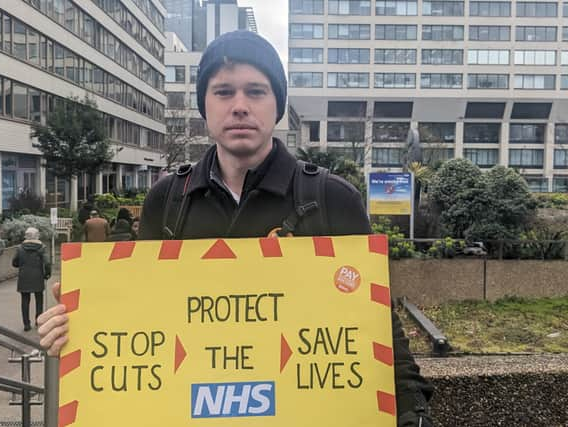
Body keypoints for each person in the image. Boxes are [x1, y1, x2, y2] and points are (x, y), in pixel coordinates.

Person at [38, 30, 433, 426]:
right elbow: (140, 328)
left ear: (277, 103)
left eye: (256, 92)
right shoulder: (167, 200)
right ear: (204, 105)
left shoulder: (331, 198)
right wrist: (81, 327)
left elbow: (377, 328)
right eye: (224, 92)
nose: (240, 106)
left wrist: (413, 412)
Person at [12, 227, 51, 331]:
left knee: (25, 300)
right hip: (38, 276)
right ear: (37, 236)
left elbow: (14, 263)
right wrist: (47, 274)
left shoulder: (20, 248)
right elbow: (47, 263)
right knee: (39, 299)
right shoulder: (42, 248)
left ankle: (26, 324)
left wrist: (21, 264)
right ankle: (38, 321)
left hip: (24, 277)